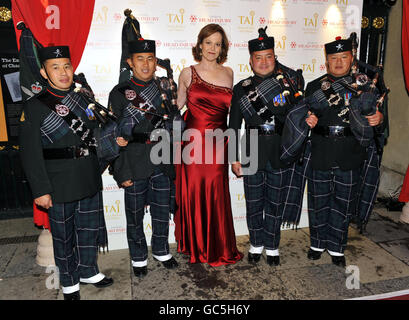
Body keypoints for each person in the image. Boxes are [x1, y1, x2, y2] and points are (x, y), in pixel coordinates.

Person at [19, 45, 113, 300]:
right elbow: (30, 153)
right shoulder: (35, 106)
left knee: (89, 229)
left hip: (87, 174)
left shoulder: (83, 99)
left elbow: (97, 134)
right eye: (55, 67)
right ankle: (70, 282)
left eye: (67, 66)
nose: (63, 72)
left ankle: (88, 270)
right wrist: (40, 190)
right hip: (58, 181)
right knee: (63, 236)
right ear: (43, 71)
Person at [285, 36, 384, 267]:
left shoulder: (365, 85)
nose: (338, 62)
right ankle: (317, 243)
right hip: (320, 149)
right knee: (318, 201)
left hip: (351, 151)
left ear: (351, 59)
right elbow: (301, 120)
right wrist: (307, 121)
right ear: (326, 60)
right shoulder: (314, 86)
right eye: (333, 58)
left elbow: (379, 121)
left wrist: (379, 120)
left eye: (343, 57)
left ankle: (337, 246)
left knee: (343, 202)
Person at [229, 27, 315, 266]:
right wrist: (233, 158)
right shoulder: (241, 88)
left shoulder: (290, 82)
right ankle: (256, 243)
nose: (263, 62)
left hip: (282, 148)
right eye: (258, 57)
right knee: (254, 202)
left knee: (275, 202)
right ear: (251, 60)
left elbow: (300, 115)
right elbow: (234, 125)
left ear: (274, 57)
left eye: (268, 56)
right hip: (252, 149)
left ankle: (273, 245)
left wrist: (309, 120)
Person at [108, 37, 179, 278]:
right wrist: (121, 171)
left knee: (161, 209)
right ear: (130, 62)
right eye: (140, 59)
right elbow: (112, 134)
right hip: (134, 159)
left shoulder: (165, 88)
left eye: (150, 59)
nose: (146, 64)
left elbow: (176, 123)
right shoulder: (119, 93)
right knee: (135, 214)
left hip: (162, 157)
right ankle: (138, 256)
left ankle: (160, 249)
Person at [174, 23, 243, 266]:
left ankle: (217, 247)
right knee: (194, 192)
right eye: (208, 42)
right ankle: (196, 246)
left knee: (215, 193)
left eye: (218, 43)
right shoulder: (186, 73)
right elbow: (176, 108)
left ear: (222, 48)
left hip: (218, 144)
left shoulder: (229, 73)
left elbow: (230, 113)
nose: (213, 48)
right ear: (200, 44)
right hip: (192, 144)